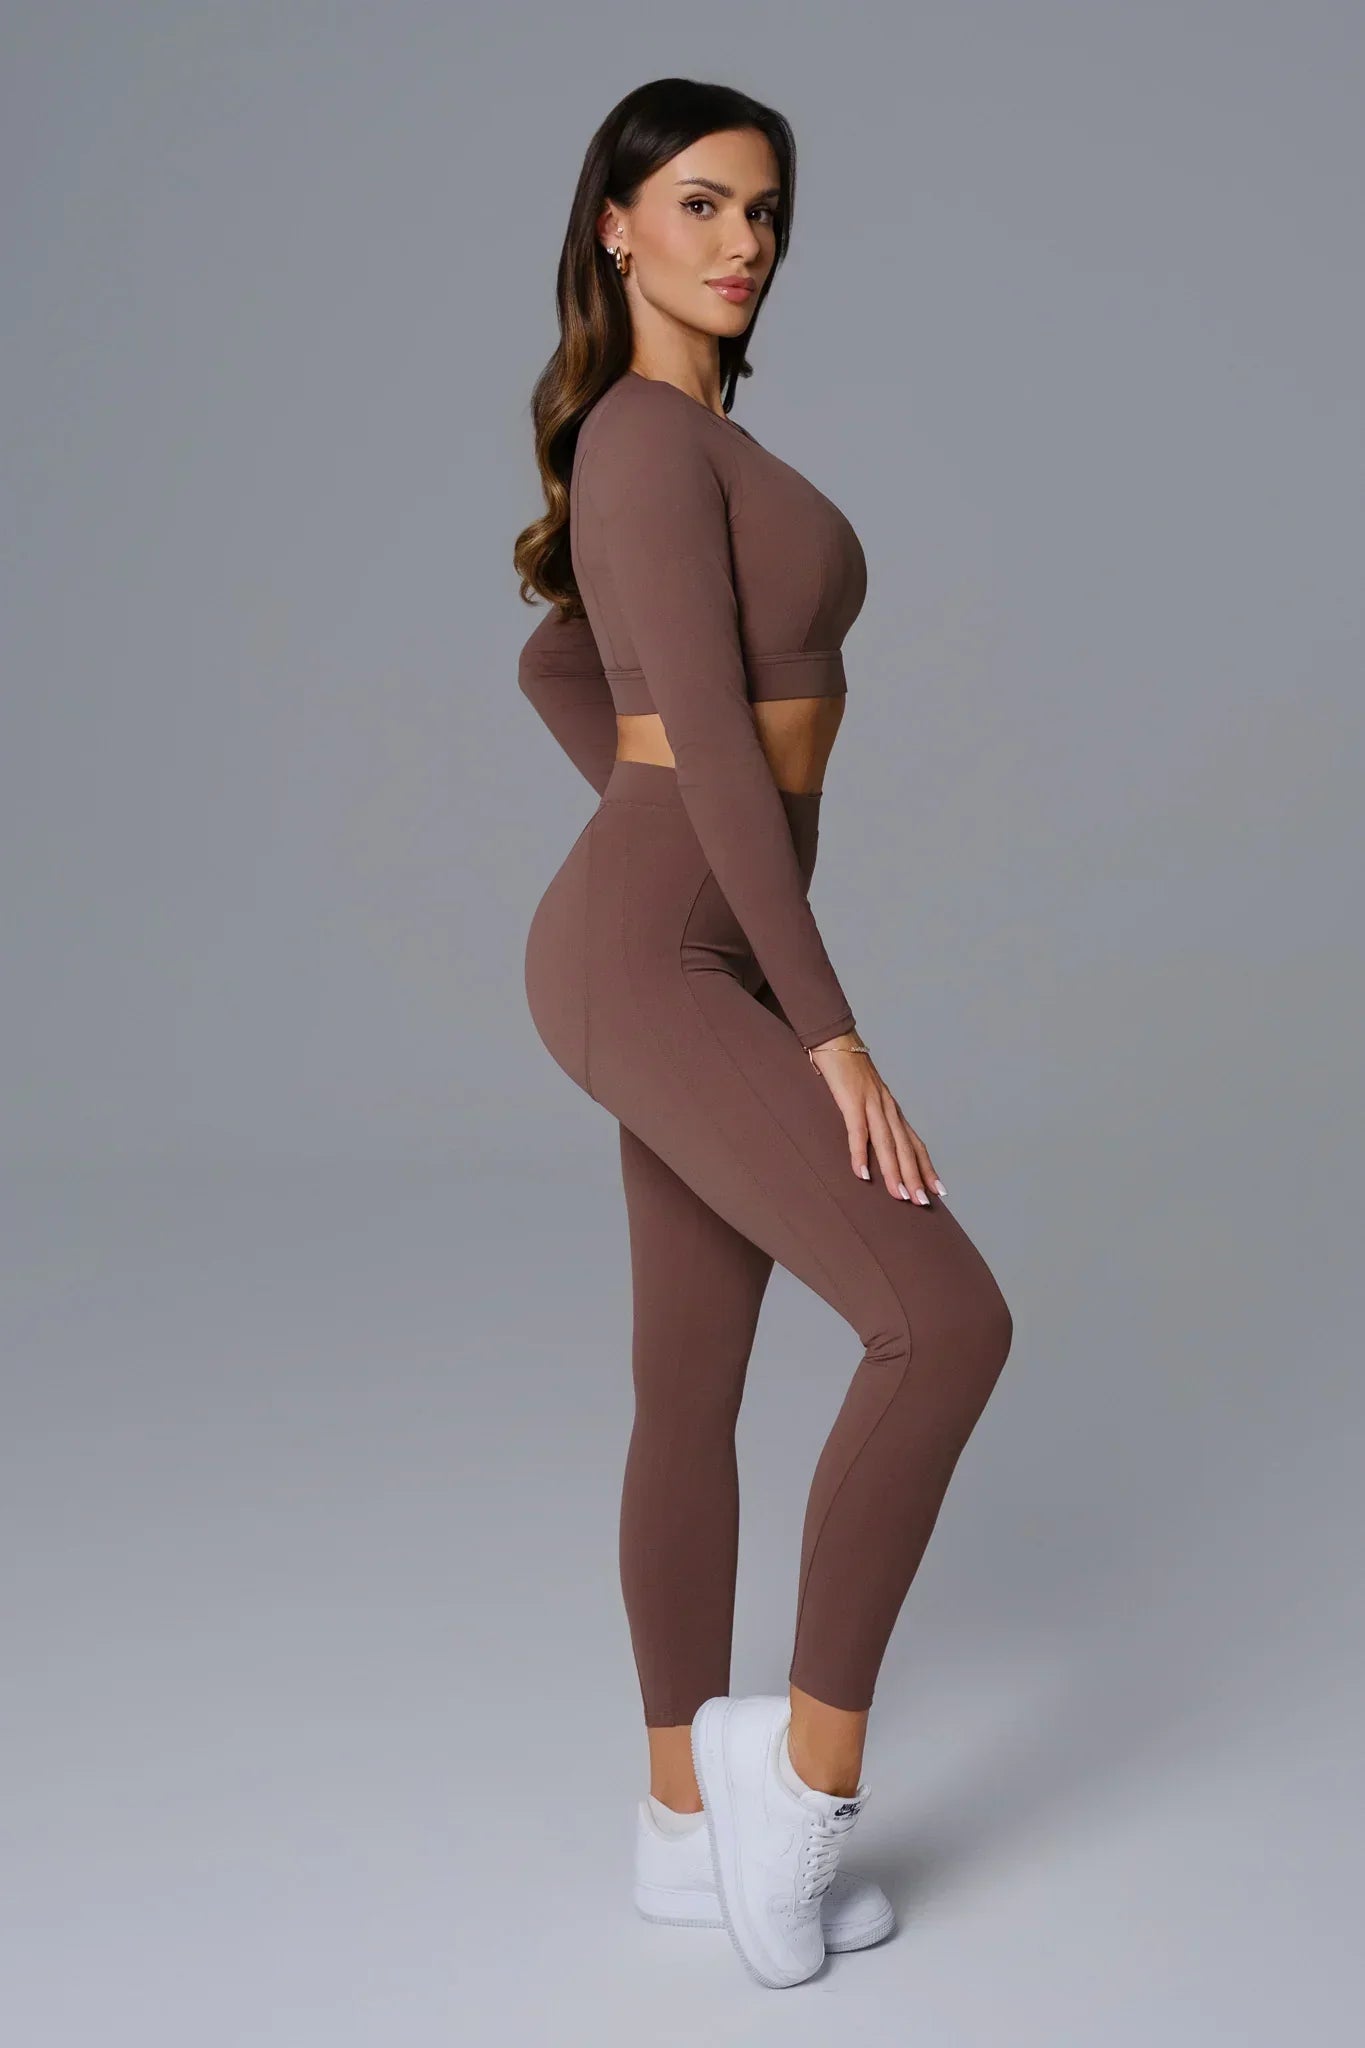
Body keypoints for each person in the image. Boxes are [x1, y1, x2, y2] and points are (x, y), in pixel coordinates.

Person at [512, 78, 1014, 1991]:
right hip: (659, 958)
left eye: (766, 213)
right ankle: (792, 1798)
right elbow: (712, 746)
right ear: (616, 225)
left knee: (689, 1382)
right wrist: (832, 1033)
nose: (744, 244)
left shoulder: (686, 440)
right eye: (702, 205)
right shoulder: (644, 436)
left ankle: (674, 1830)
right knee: (942, 1322)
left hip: (686, 938)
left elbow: (560, 657)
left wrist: (671, 842)